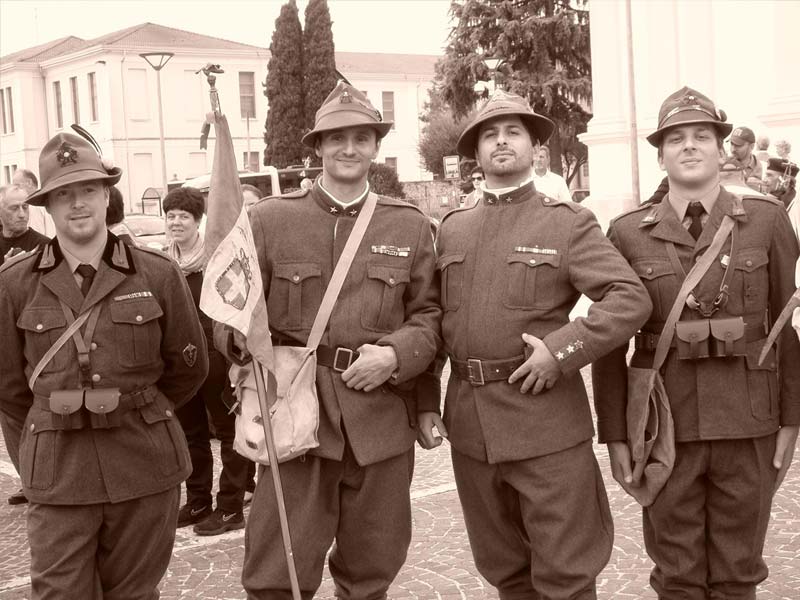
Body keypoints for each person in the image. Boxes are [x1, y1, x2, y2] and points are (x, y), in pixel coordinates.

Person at [218, 81, 441, 599]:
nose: (348, 148)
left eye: (361, 137)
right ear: (316, 146)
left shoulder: (406, 225)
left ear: (375, 147)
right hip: (293, 418)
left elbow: (430, 314)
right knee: (278, 573)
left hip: (379, 420)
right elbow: (230, 307)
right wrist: (238, 340)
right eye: (336, 137)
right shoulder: (269, 219)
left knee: (372, 569)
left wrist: (395, 354)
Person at [425, 89, 651, 599]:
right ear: (476, 152)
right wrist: (424, 401)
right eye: (489, 134)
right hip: (471, 429)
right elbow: (433, 320)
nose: (501, 142)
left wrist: (563, 350)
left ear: (535, 147)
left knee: (566, 575)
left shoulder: (566, 222)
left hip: (545, 426)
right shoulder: (453, 229)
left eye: (513, 132)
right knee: (505, 571)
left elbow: (628, 297)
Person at [592, 86, 800, 599]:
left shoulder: (768, 220)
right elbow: (611, 344)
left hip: (749, 423)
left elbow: (786, 327)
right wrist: (617, 434)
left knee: (738, 572)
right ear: (660, 153)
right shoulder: (626, 234)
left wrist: (792, 420)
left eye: (701, 136)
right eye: (676, 138)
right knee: (677, 574)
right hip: (666, 428)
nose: (689, 146)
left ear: (721, 147)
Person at [0, 131, 208, 598]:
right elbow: (9, 390)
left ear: (106, 195)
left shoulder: (157, 273)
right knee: (59, 592)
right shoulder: (14, 284)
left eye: (88, 190)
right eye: (63, 194)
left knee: (135, 593)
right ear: (47, 206)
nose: (77, 204)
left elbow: (188, 368)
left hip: (143, 463)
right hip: (58, 470)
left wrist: (136, 407)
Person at [162, 186, 253, 535]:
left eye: (183, 216)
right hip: (180, 364)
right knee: (191, 435)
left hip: (217, 360)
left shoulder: (216, 259)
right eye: (170, 216)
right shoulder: (163, 262)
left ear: (197, 220)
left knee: (230, 434)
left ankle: (230, 506)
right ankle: (198, 500)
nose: (175, 222)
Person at [0, 184, 49, 266]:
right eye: (14, 208)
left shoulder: (45, 246)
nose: (22, 215)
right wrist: (5, 270)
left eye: (25, 207)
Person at [12, 168, 56, 238]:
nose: (15, 190)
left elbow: (35, 235)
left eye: (17, 186)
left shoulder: (33, 204)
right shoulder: (47, 199)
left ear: (29, 183)